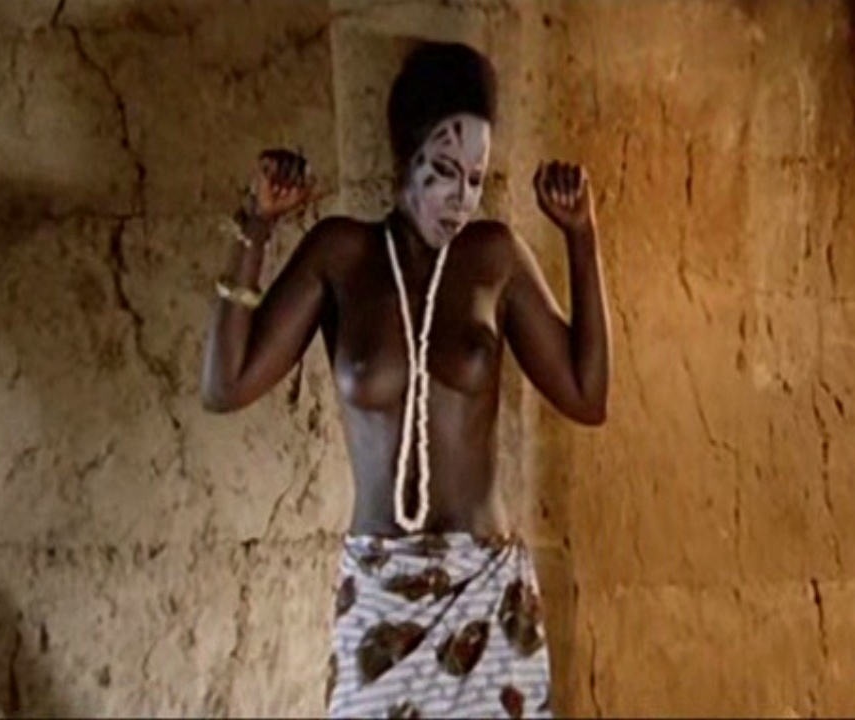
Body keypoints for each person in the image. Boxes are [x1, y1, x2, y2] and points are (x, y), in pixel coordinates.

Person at [200, 40, 610, 719]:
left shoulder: (494, 257)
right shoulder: (342, 255)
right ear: (404, 157)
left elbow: (587, 398)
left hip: (487, 592)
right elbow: (225, 385)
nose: (461, 198)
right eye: (444, 171)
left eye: (475, 178)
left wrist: (582, 237)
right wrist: (256, 227)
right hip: (380, 596)